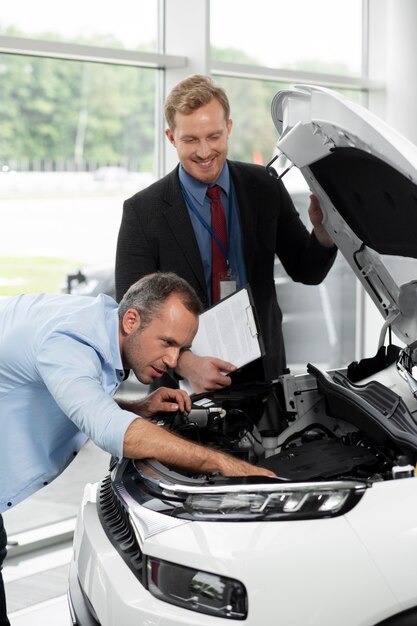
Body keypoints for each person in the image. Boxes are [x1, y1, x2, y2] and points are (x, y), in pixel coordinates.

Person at [0, 272, 274, 625]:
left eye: (182, 349)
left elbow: (79, 393)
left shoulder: (96, 323)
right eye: (167, 343)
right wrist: (222, 463)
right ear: (132, 320)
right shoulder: (66, 341)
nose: (174, 362)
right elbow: (114, 432)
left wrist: (137, 408)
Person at [115, 74, 337, 394]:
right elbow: (130, 315)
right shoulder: (142, 212)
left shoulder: (265, 185)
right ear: (171, 137)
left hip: (263, 372)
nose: (205, 152)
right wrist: (187, 363)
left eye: (214, 136)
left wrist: (323, 231)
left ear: (228, 129)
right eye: (191, 140)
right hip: (182, 384)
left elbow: (307, 269)